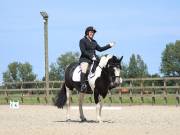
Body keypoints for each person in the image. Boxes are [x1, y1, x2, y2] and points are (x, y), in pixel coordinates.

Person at [79, 26, 114, 93]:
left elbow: (100, 49)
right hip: (85, 59)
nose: (92, 33)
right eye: (91, 32)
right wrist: (91, 56)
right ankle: (82, 85)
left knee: (102, 67)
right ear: (87, 32)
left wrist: (109, 46)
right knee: (84, 68)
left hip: (94, 59)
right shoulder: (82, 41)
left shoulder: (94, 42)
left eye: (93, 33)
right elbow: (83, 51)